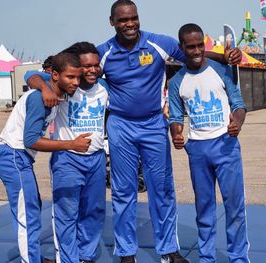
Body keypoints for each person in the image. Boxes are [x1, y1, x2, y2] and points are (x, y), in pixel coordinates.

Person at [96, 1, 242, 262]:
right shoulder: (103, 53)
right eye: (123, 20)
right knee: (123, 191)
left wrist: (227, 56)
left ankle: (168, 250)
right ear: (112, 22)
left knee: (162, 189)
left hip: (153, 125)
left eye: (134, 18)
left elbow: (194, 54)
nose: (130, 24)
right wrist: (42, 82)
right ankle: (126, 252)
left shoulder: (157, 43)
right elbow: (73, 71)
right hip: (121, 126)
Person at [0, 53, 89, 263]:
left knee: (32, 205)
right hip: (13, 157)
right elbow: (31, 141)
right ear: (55, 75)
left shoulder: (48, 87)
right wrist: (71, 145)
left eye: (78, 77)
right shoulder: (39, 98)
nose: (76, 82)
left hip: (20, 158)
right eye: (70, 77)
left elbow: (31, 75)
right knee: (27, 214)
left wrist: (45, 86)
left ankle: (34, 256)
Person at [168, 23, 250, 263]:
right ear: (181, 47)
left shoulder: (220, 69)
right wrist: (176, 134)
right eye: (190, 47)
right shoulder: (176, 82)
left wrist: (238, 122)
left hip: (226, 146)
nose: (195, 51)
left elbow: (238, 104)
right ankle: (207, 258)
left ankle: (238, 258)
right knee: (204, 209)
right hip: (198, 151)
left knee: (234, 207)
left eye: (199, 46)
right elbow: (175, 116)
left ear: (204, 44)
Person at [25, 42, 109, 263]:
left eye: (96, 65)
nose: (91, 70)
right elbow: (30, 74)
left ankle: (85, 256)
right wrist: (43, 88)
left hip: (96, 159)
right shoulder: (67, 86)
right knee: (66, 214)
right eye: (86, 66)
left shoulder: (104, 89)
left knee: (94, 211)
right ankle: (68, 259)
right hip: (67, 160)